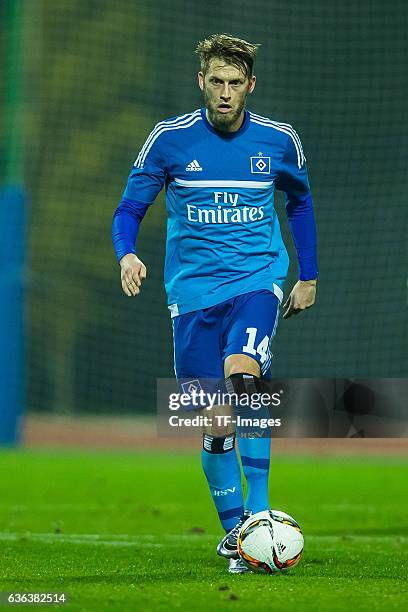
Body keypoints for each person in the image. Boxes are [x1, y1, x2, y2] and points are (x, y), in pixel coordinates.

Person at [112, 33, 317, 574]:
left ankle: (259, 511)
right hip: (192, 295)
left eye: (235, 83)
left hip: (257, 281)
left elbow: (299, 203)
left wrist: (308, 275)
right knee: (215, 420)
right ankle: (237, 538)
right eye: (216, 82)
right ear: (201, 82)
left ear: (250, 85)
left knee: (243, 378)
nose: (225, 93)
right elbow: (129, 208)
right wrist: (127, 254)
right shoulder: (168, 141)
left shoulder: (278, 141)